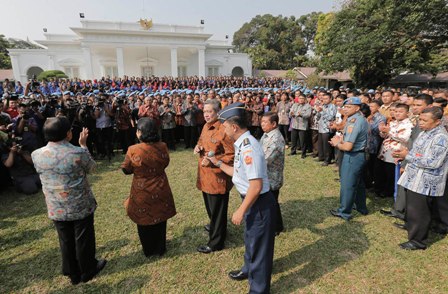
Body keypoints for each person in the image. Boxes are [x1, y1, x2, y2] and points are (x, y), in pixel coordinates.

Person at [207, 102, 276, 294]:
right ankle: (248, 269)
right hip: (251, 200)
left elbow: (256, 186)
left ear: (234, 127)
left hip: (258, 202)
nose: (223, 129)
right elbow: (238, 174)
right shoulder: (242, 143)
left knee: (259, 248)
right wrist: (218, 163)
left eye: (225, 126)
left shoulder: (249, 148)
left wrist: (241, 210)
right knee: (251, 240)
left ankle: (258, 289)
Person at [31, 116, 106, 285]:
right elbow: (93, 168)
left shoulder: (36, 155)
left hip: (56, 206)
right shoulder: (77, 153)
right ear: (68, 134)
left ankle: (72, 273)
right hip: (79, 204)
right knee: (83, 239)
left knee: (65, 239)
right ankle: (87, 270)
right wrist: (84, 145)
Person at [121, 118, 177, 257]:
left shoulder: (133, 150)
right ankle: (160, 248)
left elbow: (126, 169)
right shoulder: (163, 146)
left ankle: (149, 250)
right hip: (160, 186)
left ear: (140, 132)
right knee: (160, 215)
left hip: (142, 189)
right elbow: (166, 163)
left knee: (143, 218)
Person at [394, 107, 448, 250]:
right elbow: (418, 152)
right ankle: (411, 226)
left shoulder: (440, 137)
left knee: (420, 211)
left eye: (425, 120)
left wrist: (408, 156)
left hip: (425, 181)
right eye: (420, 119)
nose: (420, 123)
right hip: (415, 176)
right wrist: (407, 157)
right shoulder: (426, 132)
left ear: (437, 122)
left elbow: (433, 162)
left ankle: (418, 241)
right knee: (413, 207)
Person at [194, 99, 234, 254]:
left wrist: (215, 162)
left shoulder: (224, 129)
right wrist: (199, 147)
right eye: (204, 112)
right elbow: (201, 140)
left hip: (218, 177)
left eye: (209, 111)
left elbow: (231, 155)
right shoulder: (205, 126)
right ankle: (218, 228)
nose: (206, 115)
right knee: (212, 208)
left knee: (217, 209)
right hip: (205, 177)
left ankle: (216, 243)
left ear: (218, 112)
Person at [329, 97, 369, 220]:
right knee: (358, 183)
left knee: (347, 184)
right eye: (345, 107)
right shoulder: (355, 119)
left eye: (349, 107)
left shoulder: (355, 121)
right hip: (359, 155)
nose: (345, 109)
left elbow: (347, 146)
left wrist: (337, 143)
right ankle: (361, 207)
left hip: (354, 156)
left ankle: (344, 211)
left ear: (357, 108)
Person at [260, 111, 285, 235]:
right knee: (272, 202)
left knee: (271, 203)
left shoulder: (275, 139)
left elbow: (265, 160)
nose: (262, 124)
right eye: (262, 121)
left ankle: (275, 227)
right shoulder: (267, 135)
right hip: (267, 176)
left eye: (265, 122)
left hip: (272, 178)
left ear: (274, 124)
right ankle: (277, 226)